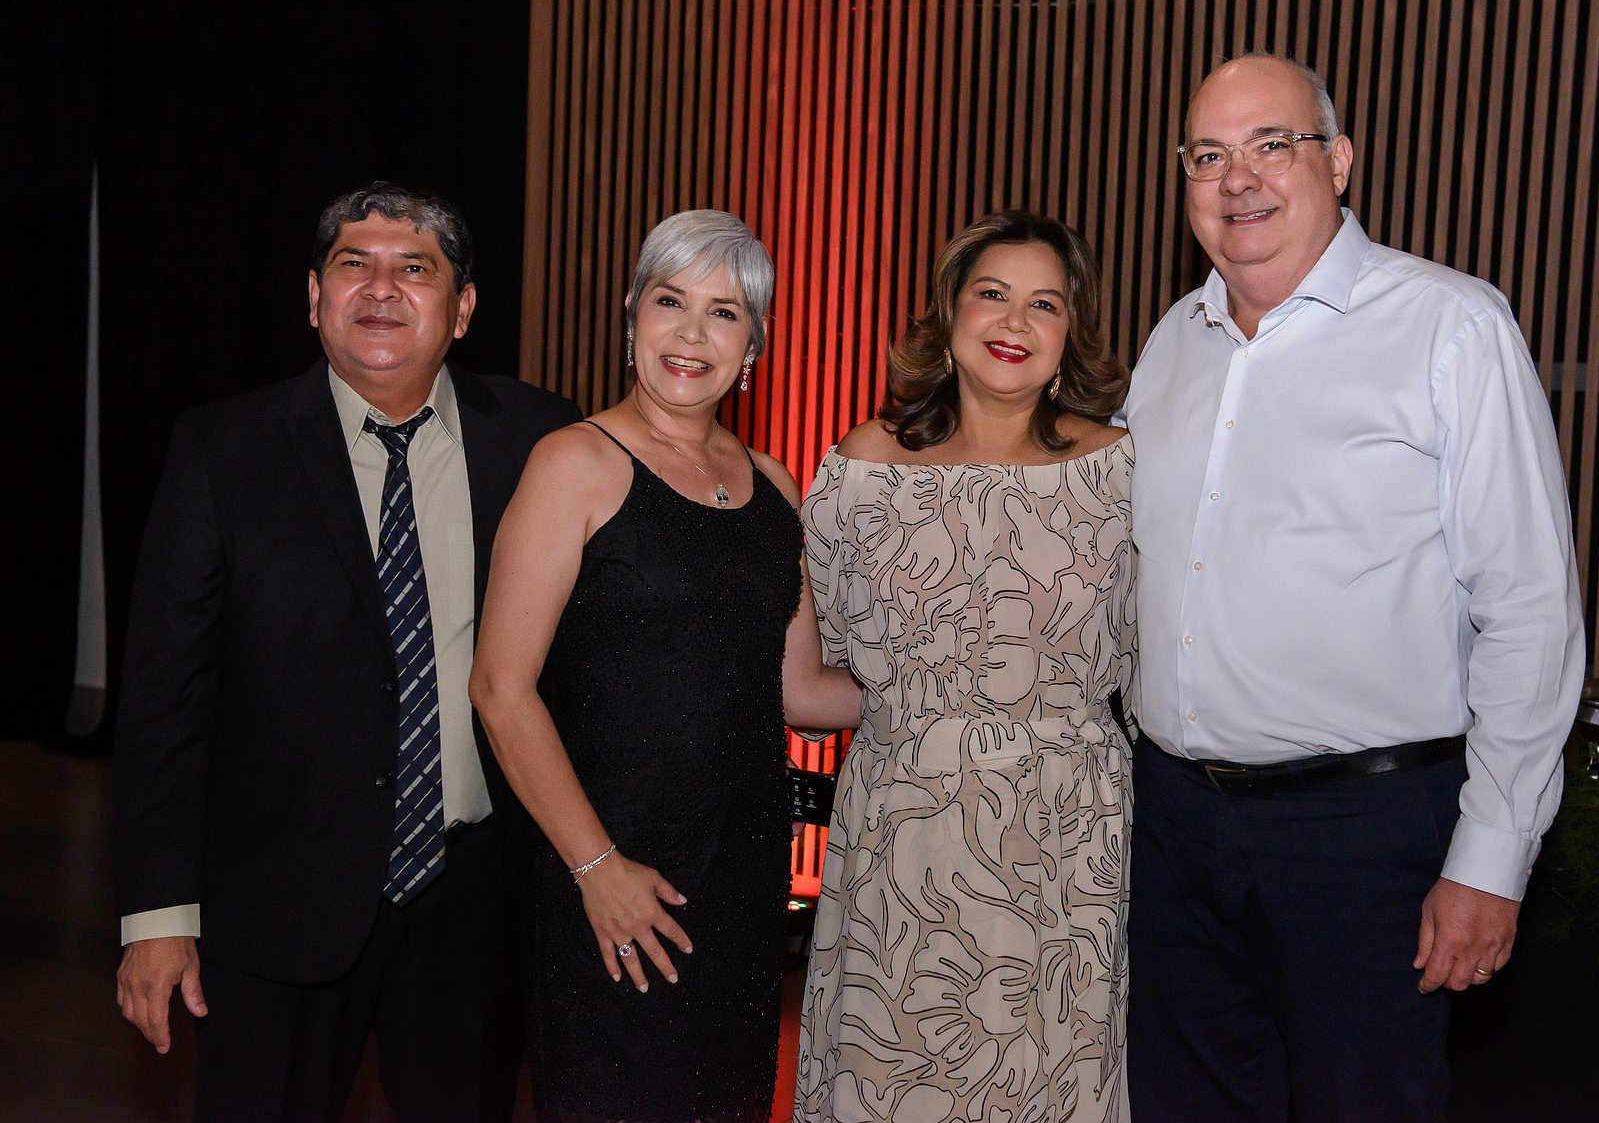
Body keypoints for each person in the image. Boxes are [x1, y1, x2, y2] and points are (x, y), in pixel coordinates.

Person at [1119, 53, 1585, 1123]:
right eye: (1208, 155)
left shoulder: (1451, 326)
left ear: (1338, 161)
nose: (1239, 178)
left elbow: (1529, 612)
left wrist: (1492, 860)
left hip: (1365, 841)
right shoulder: (1171, 346)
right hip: (1174, 829)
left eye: (1270, 145)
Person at [113, 182, 581, 1123]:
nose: (381, 288)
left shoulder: (541, 440)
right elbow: (165, 698)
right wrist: (158, 916)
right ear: (314, 296)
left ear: (463, 309)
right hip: (275, 901)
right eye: (353, 264)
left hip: (474, 903)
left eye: (416, 269)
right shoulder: (223, 450)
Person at [469, 209, 859, 1123]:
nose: (691, 333)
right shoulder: (573, 462)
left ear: (753, 344)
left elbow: (801, 691)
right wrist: (597, 868)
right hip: (612, 877)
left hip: (743, 885)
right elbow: (500, 688)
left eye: (724, 313)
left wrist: (948, 680)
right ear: (631, 315)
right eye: (670, 301)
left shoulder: (774, 484)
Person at [793, 210, 1136, 1123]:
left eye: (1045, 304)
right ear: (949, 313)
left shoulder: (1120, 471)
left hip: (1067, 842)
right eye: (992, 294)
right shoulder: (863, 468)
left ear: (1070, 333)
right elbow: (820, 670)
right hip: (901, 840)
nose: (1015, 321)